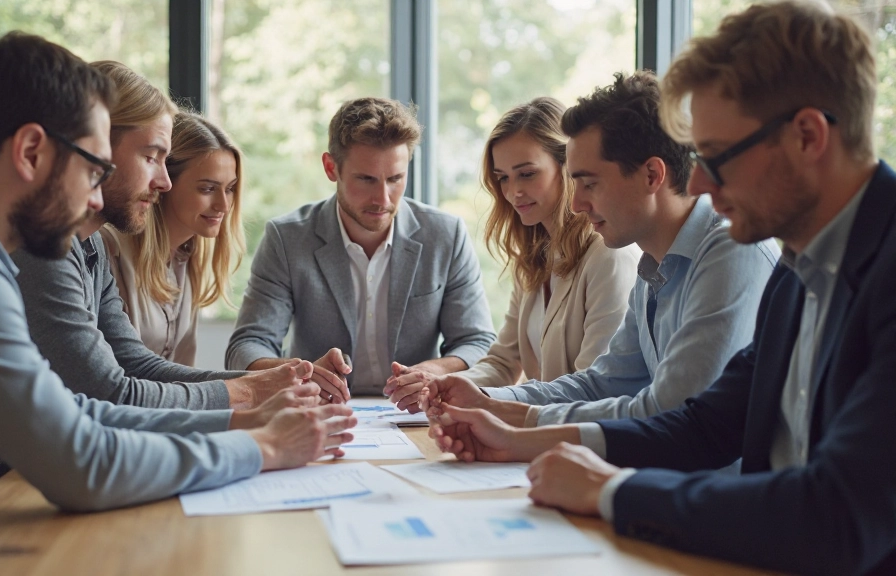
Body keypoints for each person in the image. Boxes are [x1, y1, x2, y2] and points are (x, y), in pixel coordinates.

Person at [429, 2, 896, 574]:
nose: (695, 180)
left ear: (806, 137)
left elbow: (839, 514)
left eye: (717, 157)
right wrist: (512, 438)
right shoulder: (801, 268)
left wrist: (610, 493)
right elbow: (704, 426)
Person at [0, 32, 356, 568]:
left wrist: (239, 420)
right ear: (31, 152)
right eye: (93, 168)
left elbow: (76, 411)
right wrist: (264, 449)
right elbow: (81, 462)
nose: (98, 198)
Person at [422, 71, 779, 428]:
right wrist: (488, 399)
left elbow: (672, 410)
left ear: (652, 175)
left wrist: (514, 423)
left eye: (590, 184)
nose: (575, 204)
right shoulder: (653, 266)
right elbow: (601, 383)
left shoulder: (730, 249)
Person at [11, 61, 319, 413]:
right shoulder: (45, 248)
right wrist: (247, 396)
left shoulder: (89, 244)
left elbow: (138, 364)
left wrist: (264, 383)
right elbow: (111, 393)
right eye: (150, 157)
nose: (164, 182)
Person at [226, 97, 496, 398]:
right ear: (331, 168)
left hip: (417, 414)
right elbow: (246, 348)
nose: (383, 199)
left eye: (395, 179)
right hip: (318, 412)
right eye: (366, 180)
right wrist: (302, 372)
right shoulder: (287, 239)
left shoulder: (446, 235)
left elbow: (478, 342)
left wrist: (434, 371)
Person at [384, 97, 639, 412]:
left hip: (579, 439)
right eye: (503, 177)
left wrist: (489, 401)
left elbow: (595, 387)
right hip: (545, 433)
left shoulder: (608, 256)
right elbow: (503, 362)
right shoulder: (534, 259)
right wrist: (439, 385)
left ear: (567, 166)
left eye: (527, 173)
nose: (512, 191)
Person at [101, 112, 244, 366]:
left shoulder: (187, 258)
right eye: (208, 189)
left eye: (230, 188)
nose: (224, 204)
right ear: (165, 183)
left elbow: (184, 378)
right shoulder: (108, 249)